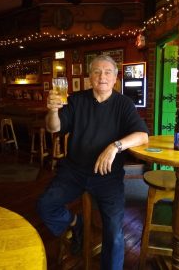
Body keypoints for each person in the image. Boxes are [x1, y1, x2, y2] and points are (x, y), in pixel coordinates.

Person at [37, 55, 149, 270]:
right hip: (73, 171)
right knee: (45, 205)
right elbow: (53, 128)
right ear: (89, 77)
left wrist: (115, 146)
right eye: (97, 71)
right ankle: (76, 224)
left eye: (108, 72)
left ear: (115, 78)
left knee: (115, 234)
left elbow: (142, 136)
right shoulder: (77, 100)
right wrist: (52, 110)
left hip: (107, 176)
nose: (102, 76)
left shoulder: (123, 104)